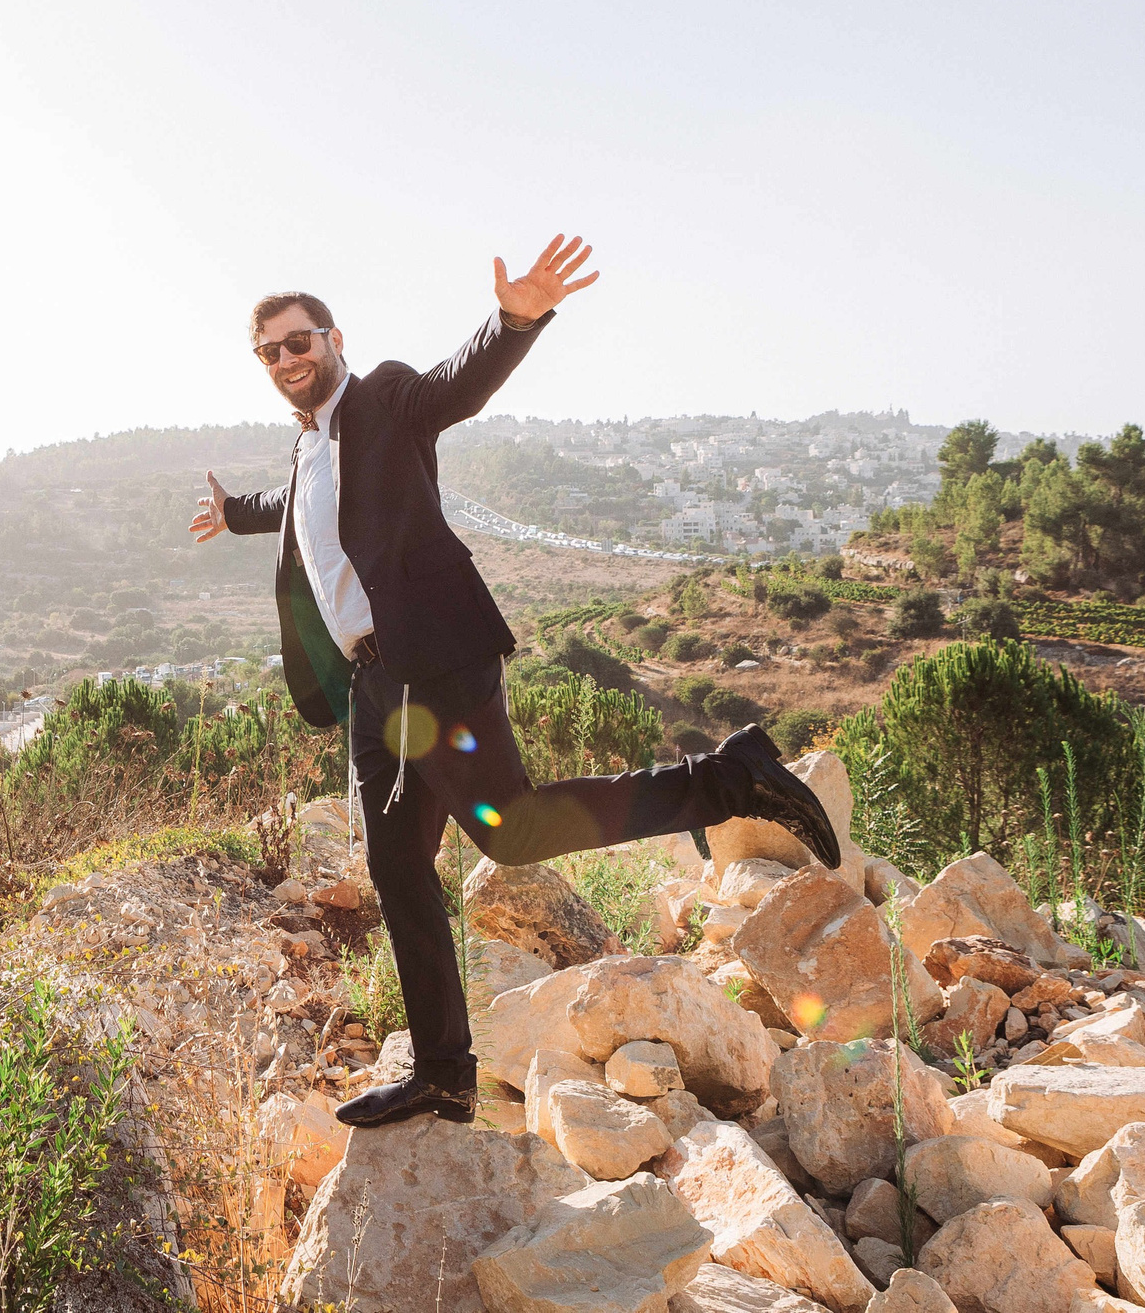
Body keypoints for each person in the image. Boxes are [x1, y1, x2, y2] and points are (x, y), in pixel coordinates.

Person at [188, 236, 838, 1129]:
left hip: (436, 659)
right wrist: (232, 513)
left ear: (334, 339)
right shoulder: (308, 452)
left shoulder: (381, 396)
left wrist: (516, 317)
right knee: (397, 866)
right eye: (270, 351)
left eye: (299, 341)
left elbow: (458, 384)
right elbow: (296, 508)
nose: (287, 359)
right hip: (375, 686)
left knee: (513, 831)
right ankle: (443, 1073)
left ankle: (731, 777)